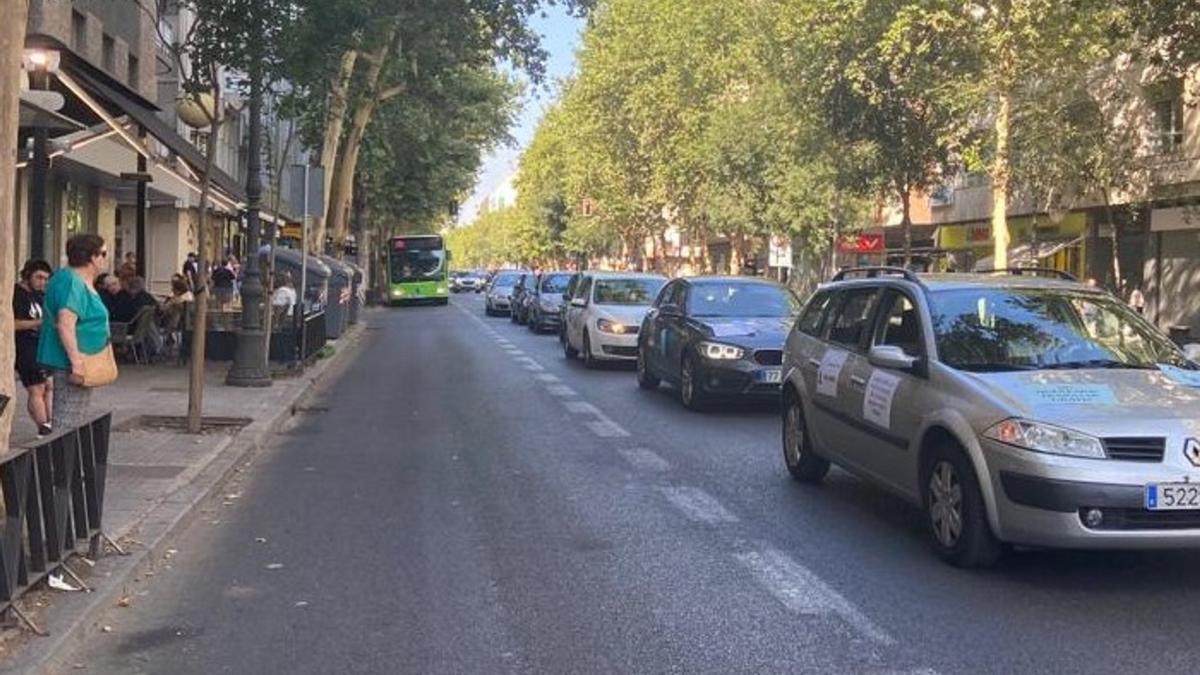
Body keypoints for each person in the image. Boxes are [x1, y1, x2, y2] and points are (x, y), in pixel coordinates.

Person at [38, 234, 112, 430]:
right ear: (92, 257)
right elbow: (65, 324)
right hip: (72, 362)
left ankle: (68, 458)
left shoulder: (77, 281)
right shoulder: (71, 282)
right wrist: (76, 362)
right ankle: (62, 460)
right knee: (67, 421)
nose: (106, 259)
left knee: (76, 419)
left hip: (86, 359)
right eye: (103, 254)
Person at [14, 260, 54, 437]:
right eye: (39, 277)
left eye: (46, 279)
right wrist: (39, 323)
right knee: (36, 387)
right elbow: (12, 323)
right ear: (27, 274)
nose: (42, 282)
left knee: (50, 385)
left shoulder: (39, 295)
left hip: (42, 346)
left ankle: (50, 422)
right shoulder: (17, 295)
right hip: (24, 346)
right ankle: (43, 427)